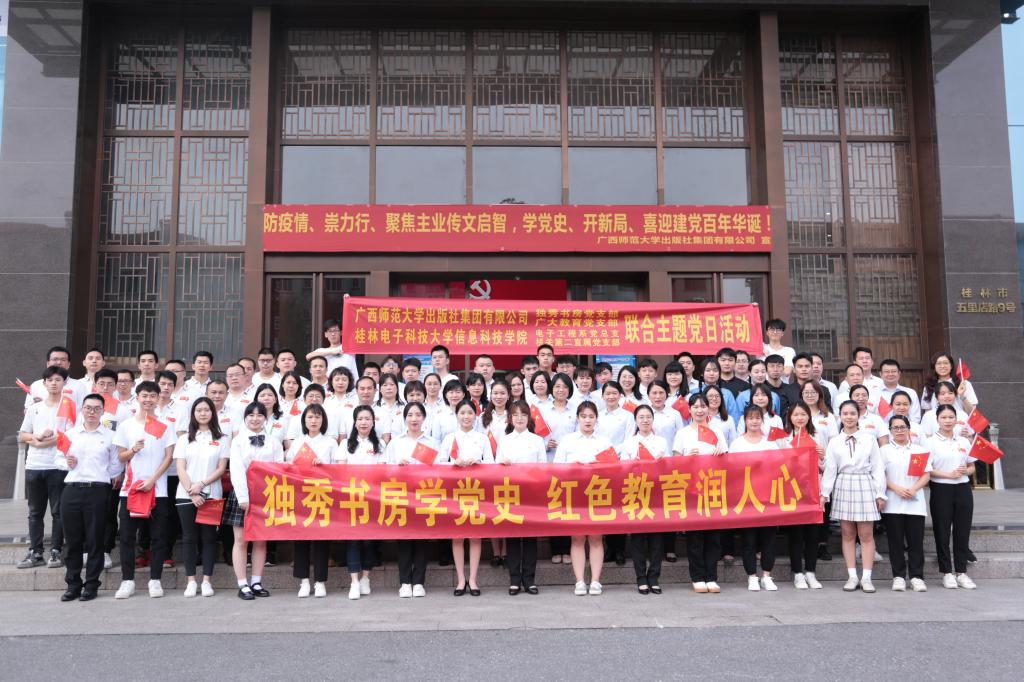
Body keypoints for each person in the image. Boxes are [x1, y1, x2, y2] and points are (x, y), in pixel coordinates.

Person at [111, 381, 177, 599]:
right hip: (131, 489)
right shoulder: (126, 425)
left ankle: (155, 580)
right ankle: (127, 581)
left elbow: (169, 457)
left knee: (158, 536)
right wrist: (133, 449)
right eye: (144, 395)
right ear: (137, 397)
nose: (148, 399)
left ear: (158, 398)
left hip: (158, 489)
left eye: (152, 396)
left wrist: (153, 479)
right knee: (128, 537)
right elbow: (121, 456)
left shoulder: (165, 425)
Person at [58, 393, 120, 601]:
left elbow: (116, 466)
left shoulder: (110, 436)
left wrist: (103, 478)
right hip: (72, 489)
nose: (92, 412)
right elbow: (57, 459)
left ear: (103, 411)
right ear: (82, 410)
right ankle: (73, 584)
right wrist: (66, 463)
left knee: (95, 540)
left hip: (97, 491)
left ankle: (91, 584)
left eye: (96, 408)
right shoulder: (70, 434)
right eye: (88, 408)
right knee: (73, 541)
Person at [820, 400, 886, 593]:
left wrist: (880, 493)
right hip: (843, 483)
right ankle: (852, 576)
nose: (849, 417)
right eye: (845, 413)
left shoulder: (869, 439)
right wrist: (824, 493)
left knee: (866, 534)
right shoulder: (835, 441)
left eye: (852, 413)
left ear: (858, 416)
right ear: (840, 416)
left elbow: (878, 467)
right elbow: (830, 469)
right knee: (848, 534)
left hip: (864, 483)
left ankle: (867, 578)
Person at [554, 401, 613, 596]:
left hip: (598, 494)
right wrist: (573, 466)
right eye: (584, 416)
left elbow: (614, 468)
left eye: (591, 416)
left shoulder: (604, 441)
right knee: (577, 538)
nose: (587, 420)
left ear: (596, 419)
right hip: (574, 495)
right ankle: (579, 581)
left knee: (596, 538)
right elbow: (556, 467)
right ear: (577, 418)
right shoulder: (567, 440)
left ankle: (595, 580)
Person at [226, 402, 284, 600]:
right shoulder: (238, 441)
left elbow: (279, 468)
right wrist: (243, 497)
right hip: (242, 493)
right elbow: (236, 469)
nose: (255, 419)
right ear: (245, 418)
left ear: (265, 419)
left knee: (260, 539)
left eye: (260, 415)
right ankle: (242, 584)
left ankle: (257, 581)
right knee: (241, 540)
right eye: (251, 415)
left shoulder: (274, 442)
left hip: (266, 494)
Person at [173, 397, 229, 598]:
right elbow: (180, 468)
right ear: (193, 414)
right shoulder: (184, 439)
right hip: (186, 495)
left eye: (206, 410)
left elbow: (221, 468)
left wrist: (201, 485)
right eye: (199, 410)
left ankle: (206, 581)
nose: (203, 413)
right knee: (189, 538)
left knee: (209, 538)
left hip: (211, 495)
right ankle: (191, 581)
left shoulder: (222, 439)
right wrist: (192, 490)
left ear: (213, 413)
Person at [672, 394, 726, 593]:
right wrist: (687, 458)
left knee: (713, 537)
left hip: (713, 488)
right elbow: (675, 463)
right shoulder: (683, 433)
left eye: (703, 406)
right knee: (695, 536)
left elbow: (728, 461)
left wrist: (721, 455)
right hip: (691, 491)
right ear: (690, 410)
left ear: (708, 409)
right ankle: (697, 577)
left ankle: (711, 576)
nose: (699, 410)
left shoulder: (717, 431)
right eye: (695, 406)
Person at [18, 366, 71, 569]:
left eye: (58, 380)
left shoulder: (68, 407)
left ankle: (56, 550)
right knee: (35, 511)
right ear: (45, 383)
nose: (54, 383)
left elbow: (69, 435)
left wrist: (43, 443)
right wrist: (37, 438)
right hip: (34, 465)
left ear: (64, 383)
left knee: (58, 511)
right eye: (50, 380)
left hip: (58, 465)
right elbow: (23, 434)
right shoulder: (34, 408)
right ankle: (36, 551)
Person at [441, 399, 494, 596]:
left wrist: (479, 462)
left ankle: (473, 579)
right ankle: (460, 579)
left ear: (475, 416)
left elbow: (492, 463)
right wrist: (453, 464)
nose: (466, 417)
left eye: (470, 413)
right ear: (457, 415)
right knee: (457, 537)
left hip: (477, 492)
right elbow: (438, 465)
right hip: (454, 493)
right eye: (462, 413)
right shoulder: (449, 439)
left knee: (475, 536)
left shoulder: (482, 438)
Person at [386, 402, 439, 597]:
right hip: (402, 497)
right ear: (405, 418)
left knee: (421, 540)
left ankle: (418, 582)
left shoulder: (432, 442)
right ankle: (405, 582)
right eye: (410, 415)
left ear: (424, 418)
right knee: (404, 540)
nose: (414, 419)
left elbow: (441, 469)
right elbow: (385, 469)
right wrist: (397, 466)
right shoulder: (396, 442)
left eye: (418, 415)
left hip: (424, 496)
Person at [285, 403, 337, 598]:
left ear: (323, 420)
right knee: (301, 539)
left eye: (317, 417)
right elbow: (288, 468)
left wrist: (324, 466)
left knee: (321, 539)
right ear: (304, 420)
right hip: (301, 496)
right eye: (310, 417)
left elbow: (338, 470)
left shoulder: (331, 443)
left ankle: (320, 581)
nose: (313, 421)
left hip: (323, 495)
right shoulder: (297, 443)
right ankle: (304, 581)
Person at [496, 400, 546, 595]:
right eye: (515, 415)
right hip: (511, 493)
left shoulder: (537, 440)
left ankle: (529, 580)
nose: (519, 418)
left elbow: (543, 467)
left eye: (523, 415)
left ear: (528, 418)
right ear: (510, 418)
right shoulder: (505, 440)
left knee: (531, 539)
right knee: (513, 538)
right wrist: (503, 464)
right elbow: (495, 468)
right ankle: (515, 580)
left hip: (531, 494)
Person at [619, 404, 669, 594]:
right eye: (641, 417)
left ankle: (654, 577)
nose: (645, 420)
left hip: (657, 493)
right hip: (636, 492)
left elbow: (671, 467)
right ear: (636, 420)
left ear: (653, 419)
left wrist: (662, 462)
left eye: (648, 417)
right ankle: (640, 577)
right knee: (638, 538)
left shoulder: (662, 442)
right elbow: (622, 468)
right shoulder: (629, 443)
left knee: (657, 539)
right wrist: (633, 464)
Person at [729, 405, 780, 592]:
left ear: (762, 420)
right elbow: (731, 470)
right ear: (745, 420)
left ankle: (767, 575)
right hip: (746, 498)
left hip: (768, 498)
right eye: (750, 418)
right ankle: (751, 576)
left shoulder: (770, 443)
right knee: (749, 539)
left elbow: (779, 467)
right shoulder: (737, 444)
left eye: (758, 418)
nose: (754, 421)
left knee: (769, 538)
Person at [927, 404, 978, 589]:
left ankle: (961, 572)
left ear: (956, 419)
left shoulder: (963, 441)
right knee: (942, 531)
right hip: (941, 489)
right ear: (937, 420)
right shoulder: (930, 442)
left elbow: (972, 467)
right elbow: (927, 469)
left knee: (962, 531)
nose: (948, 421)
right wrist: (948, 475)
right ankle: (947, 572)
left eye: (951, 417)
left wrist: (966, 471)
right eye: (944, 417)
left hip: (963, 488)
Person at [882, 414, 931, 592]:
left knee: (916, 542)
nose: (899, 430)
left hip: (915, 503)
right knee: (895, 542)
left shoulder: (919, 450)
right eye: (895, 428)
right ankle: (899, 577)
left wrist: (914, 488)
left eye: (902, 427)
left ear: (909, 429)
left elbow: (926, 474)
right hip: (893, 503)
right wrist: (896, 488)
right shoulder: (884, 450)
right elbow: (880, 475)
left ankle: (917, 577)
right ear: (890, 431)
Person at [343, 405, 385, 600]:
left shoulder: (380, 445)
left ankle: (365, 577)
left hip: (372, 499)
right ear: (354, 422)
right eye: (360, 419)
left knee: (369, 541)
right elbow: (340, 471)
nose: (363, 422)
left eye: (367, 419)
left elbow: (382, 471)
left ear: (373, 422)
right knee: (352, 540)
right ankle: (354, 582)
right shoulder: (345, 444)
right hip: (351, 499)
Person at [783, 400, 825, 589]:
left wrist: (822, 456)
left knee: (813, 534)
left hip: (814, 491)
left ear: (809, 416)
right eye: (796, 415)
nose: (799, 418)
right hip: (793, 491)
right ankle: (798, 573)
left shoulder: (817, 436)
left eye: (803, 414)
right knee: (796, 534)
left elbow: (826, 466)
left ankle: (810, 572)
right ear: (790, 417)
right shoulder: (784, 438)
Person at [479, 379, 511, 567]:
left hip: (508, 468)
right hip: (488, 468)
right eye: (495, 393)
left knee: (505, 508)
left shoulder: (513, 415)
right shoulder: (482, 417)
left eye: (502, 393)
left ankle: (505, 551)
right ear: (490, 395)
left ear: (508, 395)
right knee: (491, 510)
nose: (498, 397)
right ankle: (495, 552)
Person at [878, 359, 921, 423]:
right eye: (886, 371)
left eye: (893, 371)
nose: (890, 374)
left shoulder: (910, 393)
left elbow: (915, 418)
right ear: (880, 374)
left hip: (907, 428)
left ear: (899, 373)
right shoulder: (873, 393)